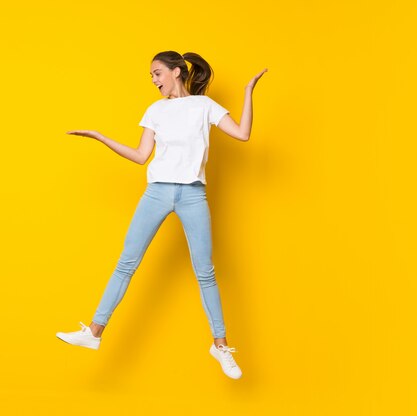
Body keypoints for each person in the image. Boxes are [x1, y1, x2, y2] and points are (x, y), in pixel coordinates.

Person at [57, 51, 267, 379]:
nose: (154, 80)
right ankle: (94, 333)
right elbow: (141, 155)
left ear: (177, 72)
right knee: (126, 263)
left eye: (157, 73)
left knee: (205, 272)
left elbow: (242, 134)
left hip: (193, 194)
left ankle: (220, 345)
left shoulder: (204, 106)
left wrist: (247, 92)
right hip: (156, 193)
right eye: (152, 76)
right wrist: (101, 137)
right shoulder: (155, 110)